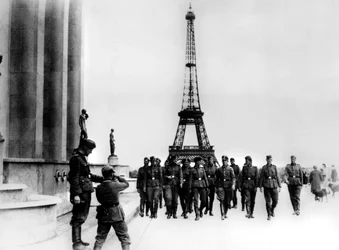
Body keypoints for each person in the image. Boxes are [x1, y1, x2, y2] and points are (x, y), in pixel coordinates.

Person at [68, 138, 103, 250]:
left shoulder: (82, 159)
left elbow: (88, 175)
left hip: (85, 191)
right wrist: (76, 194)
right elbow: (74, 178)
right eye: (90, 149)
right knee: (78, 217)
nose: (91, 152)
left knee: (82, 216)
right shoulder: (76, 159)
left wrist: (104, 179)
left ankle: (78, 240)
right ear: (85, 147)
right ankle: (76, 243)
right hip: (81, 193)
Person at [93, 166, 131, 250]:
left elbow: (99, 199)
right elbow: (127, 184)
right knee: (124, 238)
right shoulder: (115, 185)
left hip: (103, 214)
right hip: (116, 214)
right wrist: (118, 177)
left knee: (100, 238)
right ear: (112, 174)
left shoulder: (99, 187)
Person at [259, 155, 281, 220]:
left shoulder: (274, 167)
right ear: (266, 160)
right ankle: (269, 215)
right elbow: (261, 177)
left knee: (275, 201)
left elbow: (277, 176)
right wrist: (260, 186)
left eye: (270, 160)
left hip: (274, 185)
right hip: (266, 186)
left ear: (272, 160)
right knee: (268, 202)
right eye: (268, 159)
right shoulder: (264, 168)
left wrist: (279, 186)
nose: (269, 161)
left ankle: (272, 209)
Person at [215, 156, 235, 220]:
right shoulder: (219, 169)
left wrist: (233, 184)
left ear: (227, 161)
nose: (224, 162)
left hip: (228, 186)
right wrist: (216, 187)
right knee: (222, 200)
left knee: (227, 201)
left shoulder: (230, 169)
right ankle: (222, 214)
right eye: (223, 161)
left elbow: (233, 178)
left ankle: (225, 213)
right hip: (221, 186)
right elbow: (216, 179)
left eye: (225, 161)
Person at [189, 156, 209, 221]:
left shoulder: (202, 169)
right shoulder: (192, 170)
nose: (199, 162)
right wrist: (190, 188)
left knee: (204, 201)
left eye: (200, 161)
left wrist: (207, 186)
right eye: (198, 161)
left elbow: (205, 178)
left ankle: (200, 210)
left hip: (202, 185)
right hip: (195, 185)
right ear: (195, 162)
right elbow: (190, 179)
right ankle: (197, 214)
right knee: (196, 201)